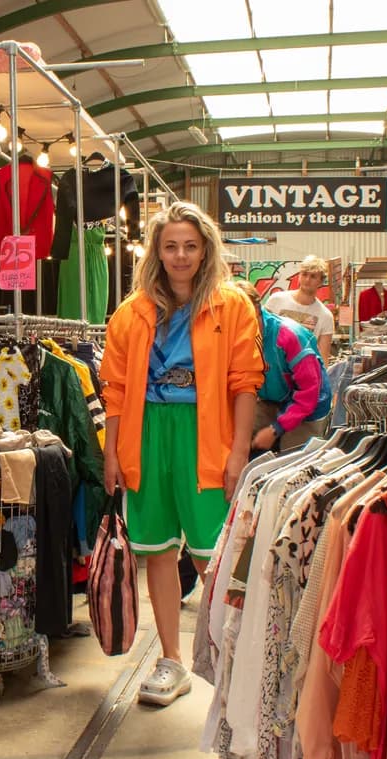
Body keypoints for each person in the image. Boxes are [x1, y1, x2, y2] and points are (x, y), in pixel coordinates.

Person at [100, 200, 263, 707]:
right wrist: (111, 454)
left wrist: (239, 451)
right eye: (170, 246)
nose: (180, 255)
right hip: (146, 434)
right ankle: (171, 659)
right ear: (156, 251)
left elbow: (245, 383)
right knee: (157, 551)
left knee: (216, 555)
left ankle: (232, 661)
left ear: (206, 249)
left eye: (191, 246)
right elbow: (114, 389)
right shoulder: (131, 312)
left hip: (207, 434)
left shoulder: (232, 305)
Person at [234, 279, 333, 453]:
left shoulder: (290, 337)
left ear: (256, 309)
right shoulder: (237, 336)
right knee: (243, 440)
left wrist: (276, 429)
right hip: (272, 398)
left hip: (309, 404)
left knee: (293, 457)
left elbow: (309, 391)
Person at [264, 256, 335, 362]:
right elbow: (262, 335)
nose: (307, 280)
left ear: (321, 281)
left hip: (303, 369)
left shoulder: (325, 316)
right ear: (299, 276)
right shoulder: (276, 300)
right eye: (304, 274)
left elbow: (323, 359)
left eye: (313, 276)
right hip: (273, 366)